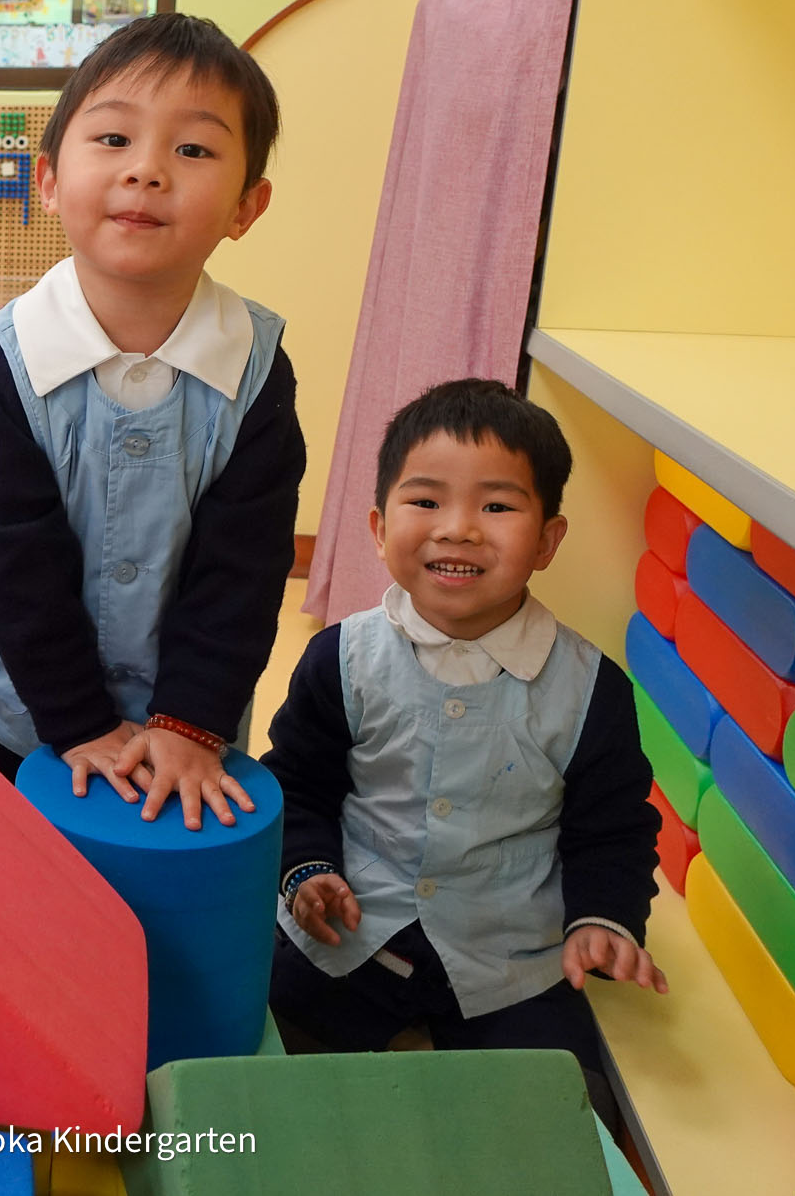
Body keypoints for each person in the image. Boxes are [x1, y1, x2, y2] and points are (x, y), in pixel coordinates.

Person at [263, 378, 663, 1132]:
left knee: (566, 1108)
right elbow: (298, 783)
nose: (459, 530)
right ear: (378, 527)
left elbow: (612, 827)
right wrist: (307, 869)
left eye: (498, 507)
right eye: (425, 500)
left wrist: (603, 918)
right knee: (263, 1061)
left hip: (509, 954)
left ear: (547, 541)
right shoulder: (342, 658)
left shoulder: (589, 688)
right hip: (354, 927)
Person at [0, 12, 305, 830]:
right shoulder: (7, 358)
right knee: (11, 872)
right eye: (113, 139)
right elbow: (13, 557)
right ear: (48, 180)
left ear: (247, 206)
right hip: (22, 709)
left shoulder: (256, 367)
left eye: (194, 150)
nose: (146, 171)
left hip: (190, 721)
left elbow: (245, 565)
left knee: (162, 884)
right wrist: (77, 719)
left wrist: (190, 721)